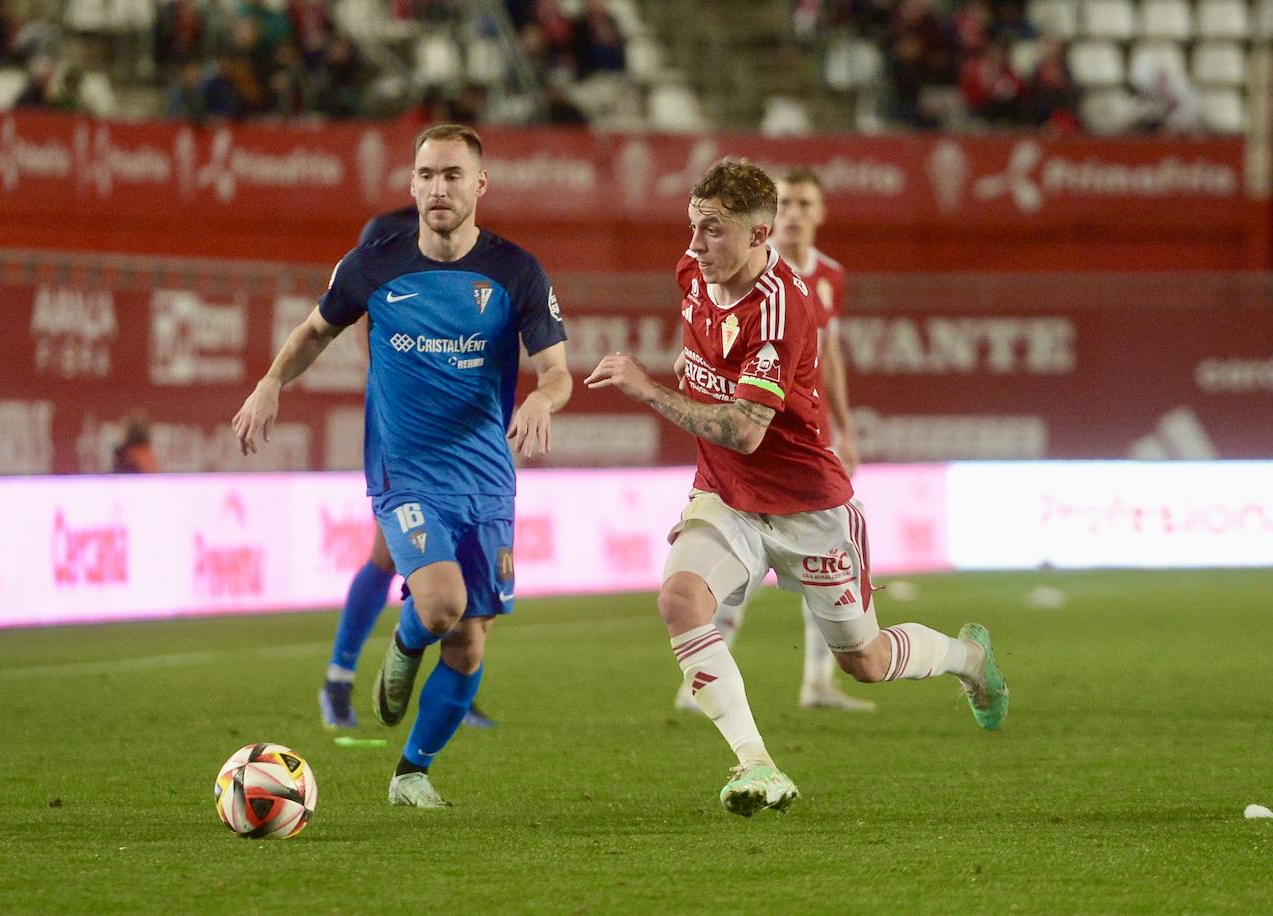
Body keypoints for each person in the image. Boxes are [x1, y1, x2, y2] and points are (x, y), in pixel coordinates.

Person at [585, 158, 1007, 816]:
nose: (695, 245)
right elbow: (702, 353)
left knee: (864, 661)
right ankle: (756, 764)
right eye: (693, 227)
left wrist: (649, 389)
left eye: (714, 231)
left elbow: (746, 432)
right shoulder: (692, 272)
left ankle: (966, 657)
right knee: (680, 598)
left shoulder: (784, 309)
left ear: (760, 237)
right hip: (727, 497)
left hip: (809, 508)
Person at [234, 123, 571, 808]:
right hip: (406, 470)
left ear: (480, 185)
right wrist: (272, 381)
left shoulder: (516, 271)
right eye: (425, 175)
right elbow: (313, 332)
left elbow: (559, 371)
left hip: (487, 480)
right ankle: (406, 639)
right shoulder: (372, 264)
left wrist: (544, 399)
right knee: (442, 603)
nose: (437, 187)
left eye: (452, 175)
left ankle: (412, 771)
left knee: (472, 641)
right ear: (410, 184)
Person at [673, 165, 869, 715]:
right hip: (750, 431)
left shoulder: (826, 277)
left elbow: (828, 355)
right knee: (731, 562)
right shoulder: (728, 263)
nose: (795, 213)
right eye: (787, 203)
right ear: (767, 220)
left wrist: (845, 429)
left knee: (819, 566)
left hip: (801, 435)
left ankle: (818, 680)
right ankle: (706, 678)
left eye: (807, 203)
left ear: (821, 212)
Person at [319, 204, 496, 733]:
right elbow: (367, 330)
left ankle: (436, 684)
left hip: (459, 438)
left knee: (438, 564)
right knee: (392, 556)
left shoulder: (468, 253)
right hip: (408, 434)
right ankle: (340, 680)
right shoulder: (385, 245)